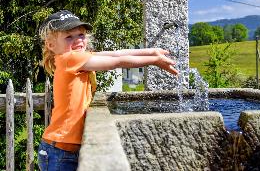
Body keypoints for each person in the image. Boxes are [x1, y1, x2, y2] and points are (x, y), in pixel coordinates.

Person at [37, 10, 178, 171]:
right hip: (59, 152)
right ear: (51, 45)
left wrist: (152, 51)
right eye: (69, 37)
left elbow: (116, 53)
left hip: (62, 150)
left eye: (81, 35)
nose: (78, 41)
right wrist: (154, 60)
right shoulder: (69, 58)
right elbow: (117, 61)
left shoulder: (77, 58)